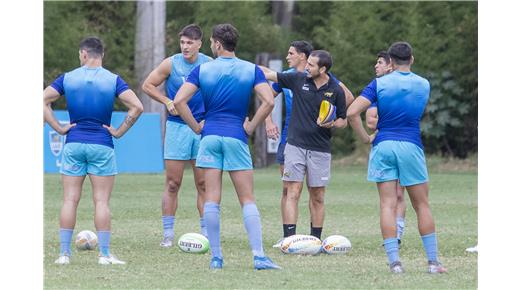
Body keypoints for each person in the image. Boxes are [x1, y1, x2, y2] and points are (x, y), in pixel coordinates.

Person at [173, 23, 280, 270]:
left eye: (211, 42)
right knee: (247, 199)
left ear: (218, 44)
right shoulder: (251, 69)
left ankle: (217, 258)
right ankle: (259, 256)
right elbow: (268, 101)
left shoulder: (203, 69)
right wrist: (251, 126)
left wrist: (196, 128)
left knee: (211, 199)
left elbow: (179, 101)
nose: (211, 45)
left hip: (209, 137)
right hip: (236, 137)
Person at [346, 41, 447, 274]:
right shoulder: (424, 84)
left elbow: (352, 112)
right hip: (411, 145)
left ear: (390, 62)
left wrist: (364, 138)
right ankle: (433, 263)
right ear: (411, 59)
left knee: (388, 204)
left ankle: (395, 264)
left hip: (383, 145)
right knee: (421, 204)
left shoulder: (378, 83)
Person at [44, 36, 143, 265]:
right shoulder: (113, 79)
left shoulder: (68, 78)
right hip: (101, 144)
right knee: (101, 202)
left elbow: (42, 100)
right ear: (102, 55)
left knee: (70, 199)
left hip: (74, 143)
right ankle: (105, 255)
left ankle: (63, 254)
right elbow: (137, 107)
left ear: (84, 54)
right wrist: (119, 131)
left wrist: (58, 127)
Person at [264, 43, 354, 246]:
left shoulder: (335, 90)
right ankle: (289, 240)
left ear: (323, 69)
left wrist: (333, 122)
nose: (307, 68)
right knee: (292, 192)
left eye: (311, 65)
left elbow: (343, 120)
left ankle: (315, 240)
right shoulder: (297, 79)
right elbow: (269, 74)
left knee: (318, 196)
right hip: (294, 145)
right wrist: (242, 66)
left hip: (320, 149)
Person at [142, 24, 211, 247]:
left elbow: (221, 92)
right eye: (182, 42)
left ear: (200, 44)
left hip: (201, 129)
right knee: (173, 183)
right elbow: (148, 85)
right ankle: (168, 235)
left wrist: (211, 116)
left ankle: (206, 234)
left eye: (190, 42)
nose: (185, 47)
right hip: (176, 128)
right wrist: (166, 101)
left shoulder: (209, 65)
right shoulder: (171, 63)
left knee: (203, 184)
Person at [366, 51, 407, 246]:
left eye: (380, 62)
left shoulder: (404, 86)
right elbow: (371, 121)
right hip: (385, 143)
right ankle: (391, 236)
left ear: (390, 65)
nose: (376, 66)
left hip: (405, 144)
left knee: (400, 193)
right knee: (389, 195)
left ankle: (397, 234)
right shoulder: (378, 88)